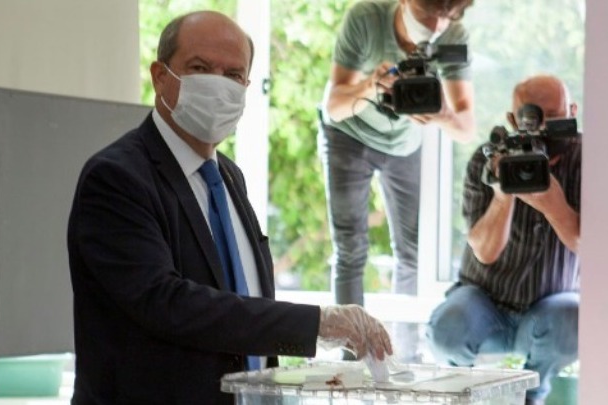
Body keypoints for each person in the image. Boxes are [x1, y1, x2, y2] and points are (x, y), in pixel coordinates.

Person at [67, 10, 393, 405]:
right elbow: (167, 304)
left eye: (234, 75)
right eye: (200, 67)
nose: (218, 85)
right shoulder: (117, 178)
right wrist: (316, 324)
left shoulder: (228, 177)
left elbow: (246, 303)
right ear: (159, 76)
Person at [318, 0, 476, 361]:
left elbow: (466, 128)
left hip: (404, 144)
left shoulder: (453, 36)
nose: (435, 25)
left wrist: (441, 114)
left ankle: (403, 356)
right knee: (351, 248)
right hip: (349, 134)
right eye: (427, 14)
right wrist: (371, 86)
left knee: (413, 251)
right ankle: (353, 357)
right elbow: (334, 106)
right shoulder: (366, 18)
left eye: (447, 16)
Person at [426, 74, 580, 405]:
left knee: (576, 318)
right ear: (513, 119)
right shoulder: (488, 160)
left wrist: (554, 206)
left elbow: (593, 249)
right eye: (533, 118)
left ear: (573, 112)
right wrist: (503, 193)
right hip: (483, 303)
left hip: (550, 312)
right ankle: (464, 395)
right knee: (447, 331)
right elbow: (485, 252)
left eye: (555, 117)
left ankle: (532, 396)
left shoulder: (590, 162)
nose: (543, 128)